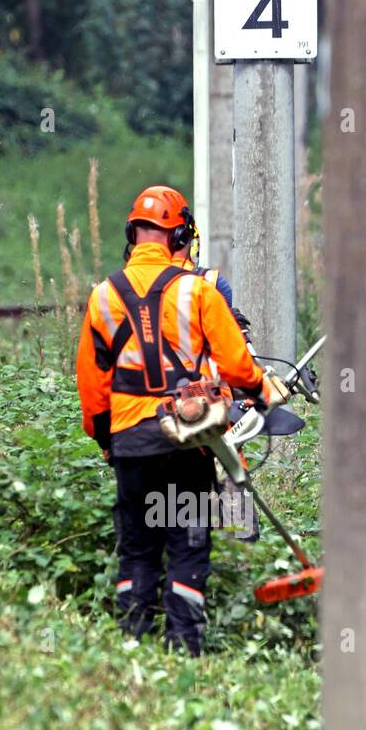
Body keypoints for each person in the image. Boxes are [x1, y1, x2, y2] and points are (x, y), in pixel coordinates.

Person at [76, 184, 286, 654]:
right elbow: (235, 363)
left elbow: (92, 388)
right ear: (177, 239)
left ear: (133, 236)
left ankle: (133, 645)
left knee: (137, 548)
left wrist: (107, 440)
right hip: (186, 440)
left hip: (130, 444)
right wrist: (256, 392)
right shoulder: (198, 290)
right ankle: (184, 651)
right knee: (188, 544)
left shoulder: (102, 297)